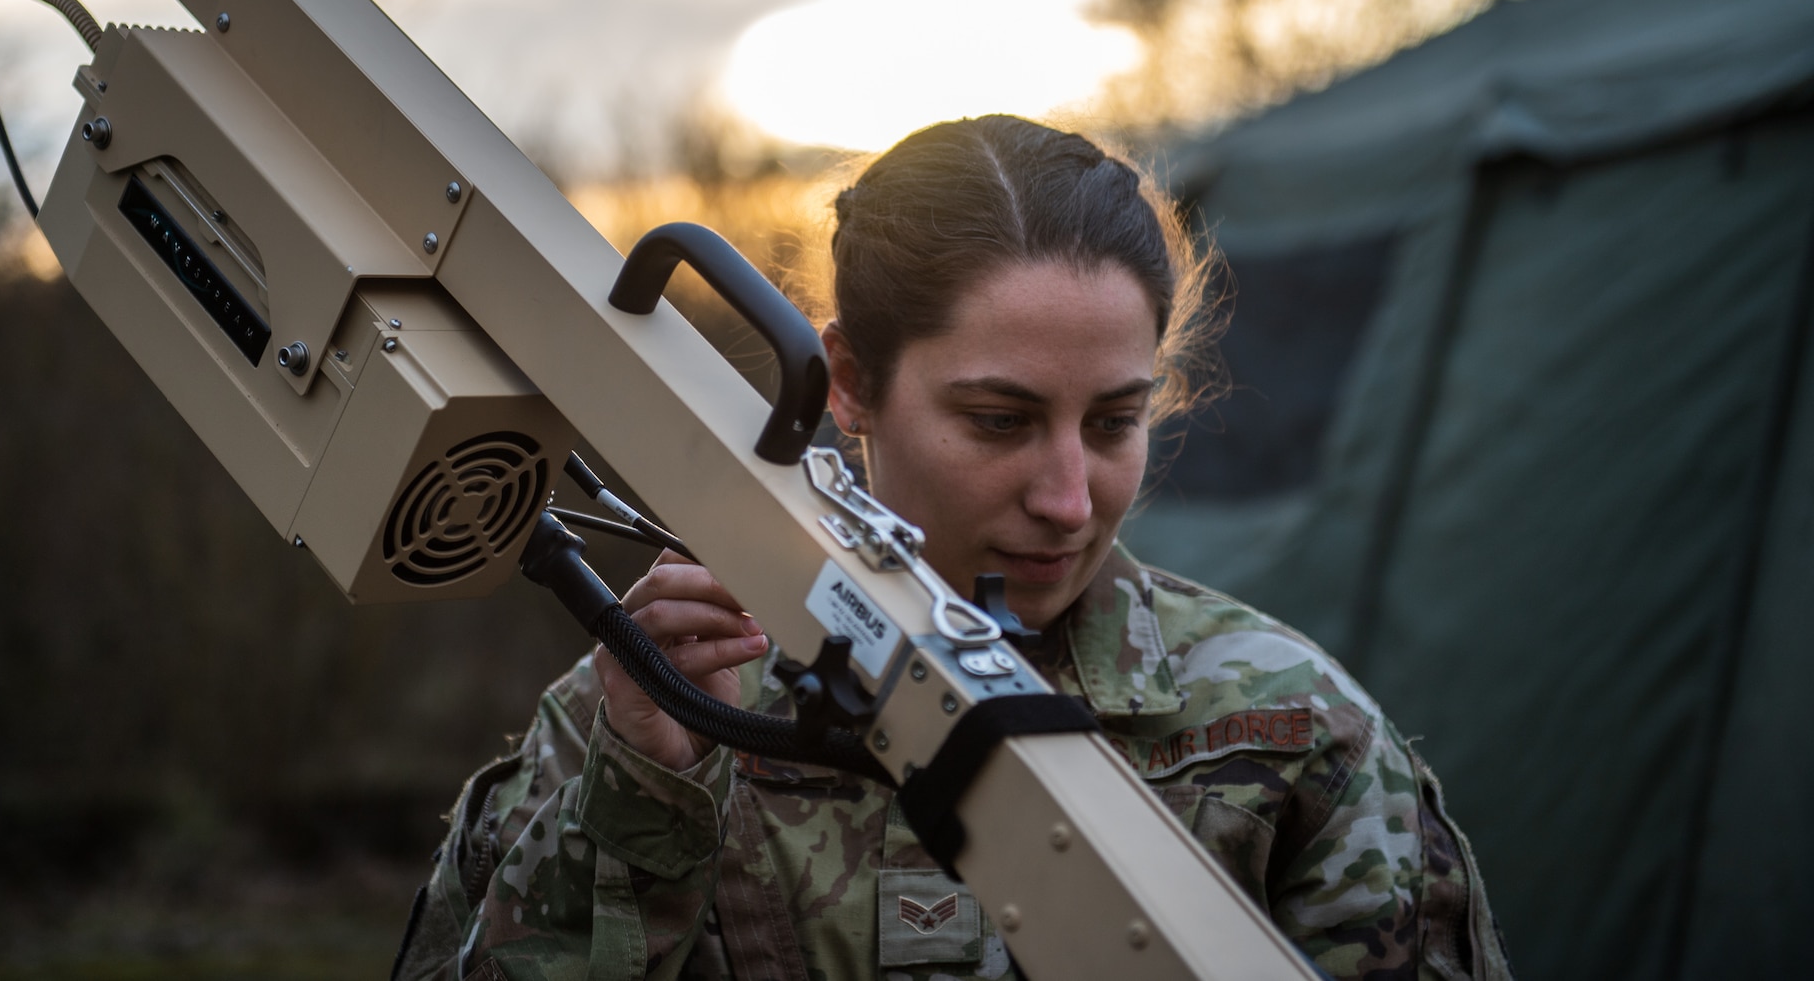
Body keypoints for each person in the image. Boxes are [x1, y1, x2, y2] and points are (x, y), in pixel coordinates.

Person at [393, 115, 1513, 981]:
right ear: (846, 382)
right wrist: (641, 801)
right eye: (998, 421)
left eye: (1115, 421)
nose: (1070, 499)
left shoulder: (1286, 734)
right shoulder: (657, 709)